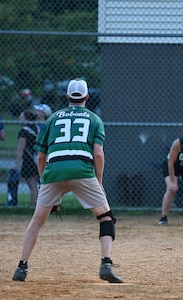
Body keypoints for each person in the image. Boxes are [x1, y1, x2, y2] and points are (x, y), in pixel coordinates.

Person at [12, 78, 122, 283]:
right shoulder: (94, 119)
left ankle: (21, 267)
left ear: (67, 97)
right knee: (106, 217)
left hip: (53, 171)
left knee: (37, 221)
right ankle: (106, 263)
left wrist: (45, 181)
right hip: (82, 170)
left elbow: (41, 157)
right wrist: (98, 181)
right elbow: (98, 154)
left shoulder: (52, 119)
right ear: (87, 97)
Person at [12, 110, 40, 207]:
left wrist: (16, 164)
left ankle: (34, 206)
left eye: (21, 117)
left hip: (29, 160)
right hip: (37, 159)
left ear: (27, 119)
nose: (19, 119)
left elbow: (21, 148)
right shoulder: (36, 128)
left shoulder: (24, 131)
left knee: (32, 185)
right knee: (36, 184)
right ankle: (37, 205)